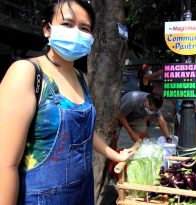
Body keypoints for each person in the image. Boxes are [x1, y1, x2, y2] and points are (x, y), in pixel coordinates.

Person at [0, 1, 134, 204]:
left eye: (84, 28)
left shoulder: (82, 78)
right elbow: (5, 165)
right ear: (47, 29)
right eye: (67, 24)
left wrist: (115, 155)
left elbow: (84, 132)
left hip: (83, 191)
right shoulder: (27, 72)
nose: (76, 33)